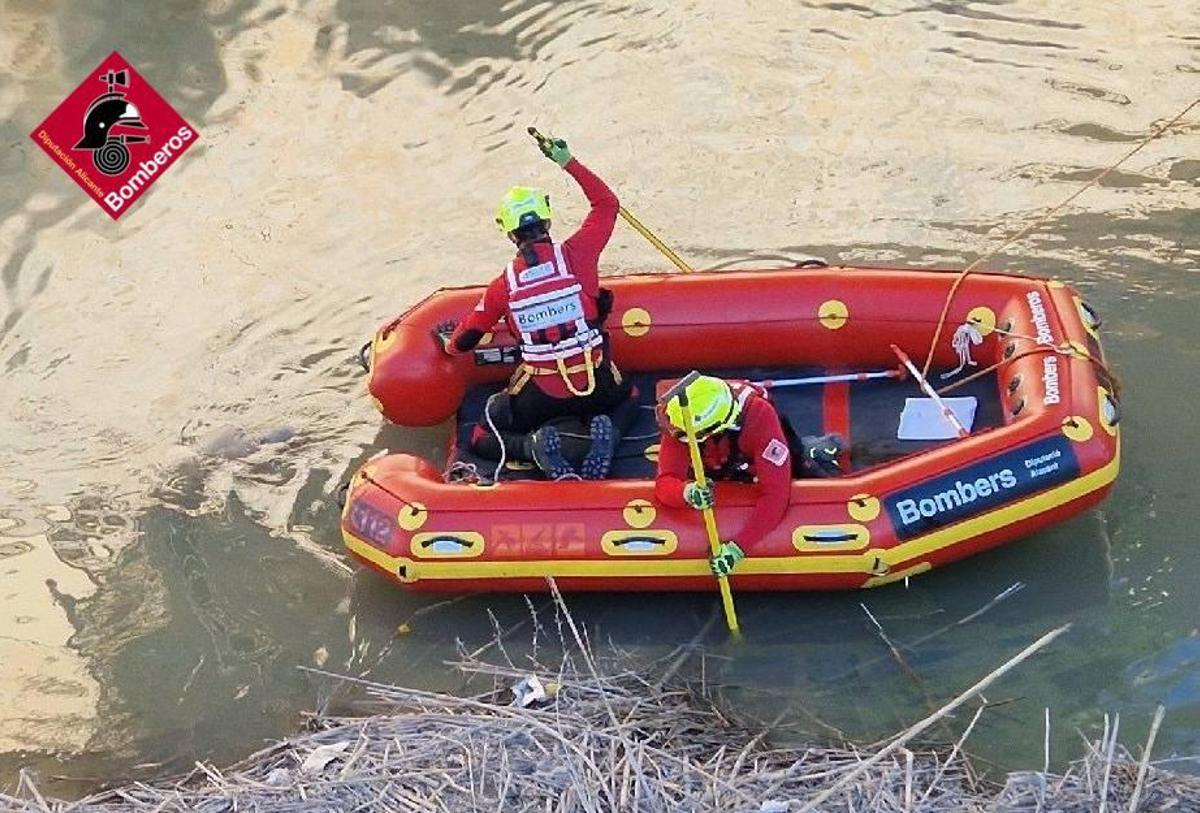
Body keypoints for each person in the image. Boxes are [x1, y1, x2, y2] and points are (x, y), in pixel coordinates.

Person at [442, 134, 631, 480]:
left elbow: (468, 337)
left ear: (509, 232)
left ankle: (531, 447)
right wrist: (567, 161)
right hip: (597, 383)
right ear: (546, 220)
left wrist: (448, 344)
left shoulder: (504, 286)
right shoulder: (578, 254)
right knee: (630, 396)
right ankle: (610, 436)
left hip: (542, 394)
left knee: (481, 437)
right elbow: (606, 204)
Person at [655, 374, 794, 577]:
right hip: (711, 465)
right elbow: (665, 482)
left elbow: (776, 494)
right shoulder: (680, 416)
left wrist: (737, 549)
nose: (676, 437)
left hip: (747, 466)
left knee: (801, 462)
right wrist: (687, 492)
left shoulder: (760, 416)